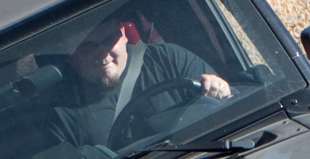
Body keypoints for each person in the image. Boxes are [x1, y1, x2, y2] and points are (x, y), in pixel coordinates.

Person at [50, 13, 230, 151]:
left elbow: (230, 111)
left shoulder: (169, 59)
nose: (103, 53)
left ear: (124, 34)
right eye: (88, 46)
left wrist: (219, 90)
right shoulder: (65, 113)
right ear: (70, 56)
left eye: (109, 40)